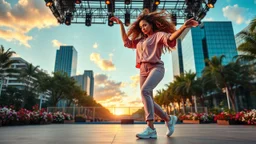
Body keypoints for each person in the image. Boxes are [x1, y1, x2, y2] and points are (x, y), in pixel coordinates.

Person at [110, 9, 199, 139]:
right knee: (147, 99)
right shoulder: (139, 41)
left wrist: (183, 27)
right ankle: (169, 119)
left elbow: (171, 37)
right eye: (141, 27)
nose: (143, 28)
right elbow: (126, 42)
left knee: (144, 91)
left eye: (145, 25)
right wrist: (121, 25)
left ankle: (151, 128)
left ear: (151, 24)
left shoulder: (158, 35)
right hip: (143, 70)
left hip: (156, 68)